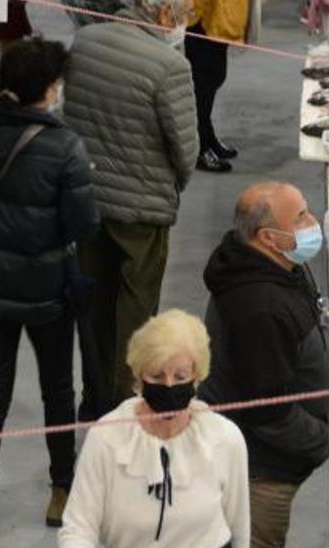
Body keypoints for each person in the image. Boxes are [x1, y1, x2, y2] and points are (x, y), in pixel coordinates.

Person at [0, 38, 100, 547]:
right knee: (58, 391)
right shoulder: (65, 147)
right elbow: (82, 224)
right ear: (51, 89)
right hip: (47, 291)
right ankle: (61, 490)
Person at [63, 0, 199, 418]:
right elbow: (185, 147)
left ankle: (93, 397)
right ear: (163, 15)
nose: (182, 27)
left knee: (95, 307)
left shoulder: (84, 42)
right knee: (137, 313)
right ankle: (126, 405)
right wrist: (174, 184)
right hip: (143, 210)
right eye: (182, 17)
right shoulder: (168, 65)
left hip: (88, 198)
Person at [198, 181, 329, 548]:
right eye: (301, 217)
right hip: (260, 474)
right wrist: (322, 440)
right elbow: (267, 413)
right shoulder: (258, 307)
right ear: (268, 237)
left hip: (276, 459)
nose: (312, 222)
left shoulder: (274, 266)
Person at [59, 309, 250, 548]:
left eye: (180, 377)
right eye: (157, 376)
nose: (169, 386)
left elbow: (240, 529)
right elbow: (78, 529)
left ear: (197, 376)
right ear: (139, 374)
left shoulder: (225, 439)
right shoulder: (106, 439)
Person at [184, 0, 260, 172]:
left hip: (218, 17)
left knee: (213, 76)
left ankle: (207, 136)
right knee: (203, 82)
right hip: (203, 16)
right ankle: (200, 147)